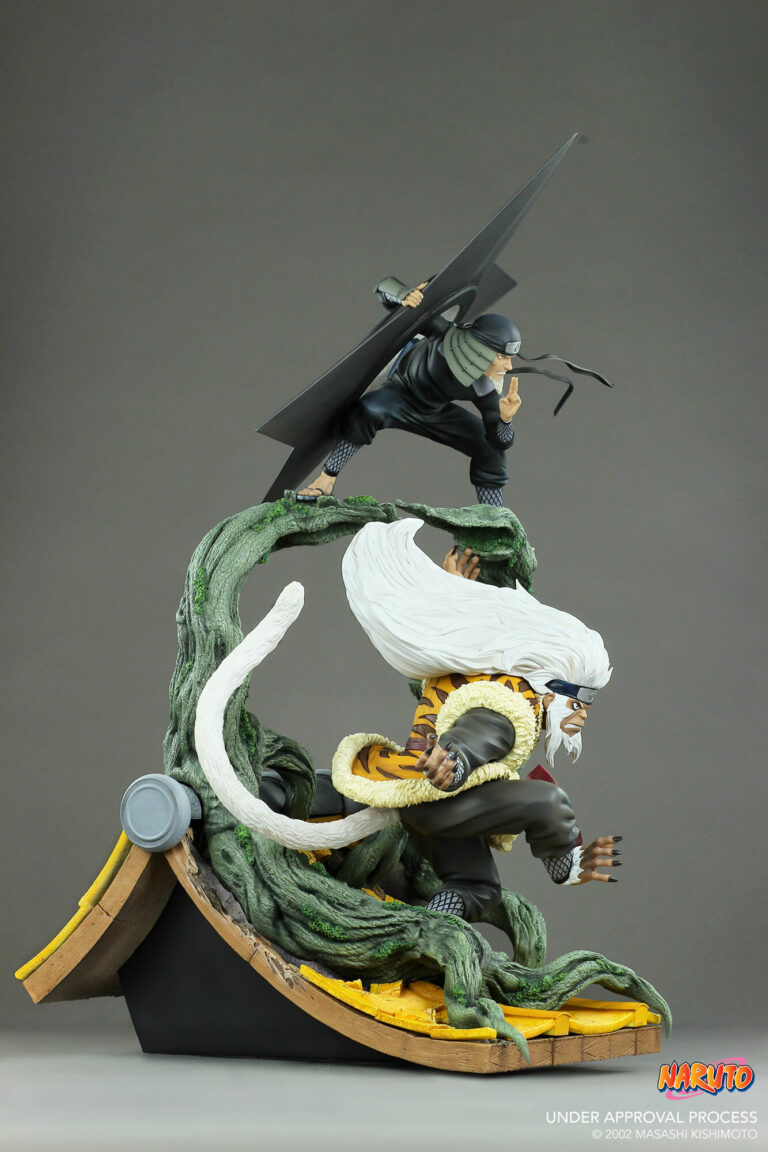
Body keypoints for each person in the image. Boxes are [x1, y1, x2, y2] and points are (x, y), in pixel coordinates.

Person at [331, 518, 621, 922]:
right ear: (550, 690)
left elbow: (459, 651)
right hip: (440, 795)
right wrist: (453, 761)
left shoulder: (478, 671)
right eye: (578, 701)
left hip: (435, 799)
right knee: (550, 801)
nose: (583, 714)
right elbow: (481, 732)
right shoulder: (512, 706)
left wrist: (453, 593)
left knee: (477, 888)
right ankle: (562, 864)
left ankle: (422, 929)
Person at [298, 279, 523, 507]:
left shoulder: (484, 386)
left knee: (489, 449)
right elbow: (385, 291)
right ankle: (326, 480)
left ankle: (492, 518)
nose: (509, 366)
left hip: (435, 413)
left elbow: (499, 442)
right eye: (502, 357)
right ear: (480, 350)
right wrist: (404, 295)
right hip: (399, 394)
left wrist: (505, 420)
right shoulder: (443, 335)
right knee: (367, 410)